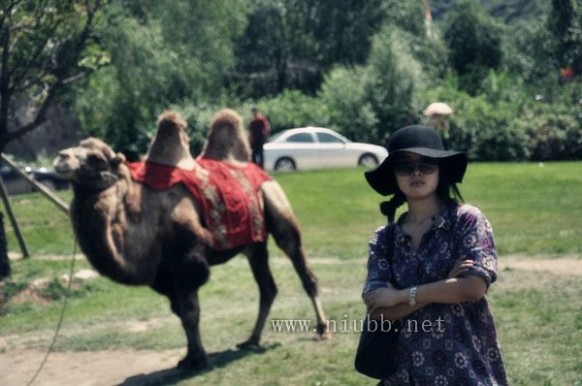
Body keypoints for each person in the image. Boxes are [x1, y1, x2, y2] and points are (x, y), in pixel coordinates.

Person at [362, 125, 508, 385]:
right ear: (394, 174)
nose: (416, 172)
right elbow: (378, 313)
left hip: (463, 370)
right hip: (402, 375)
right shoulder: (384, 238)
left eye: (427, 164)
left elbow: (473, 288)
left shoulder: (466, 220)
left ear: (441, 170)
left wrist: (400, 296)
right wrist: (444, 286)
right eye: (405, 166)